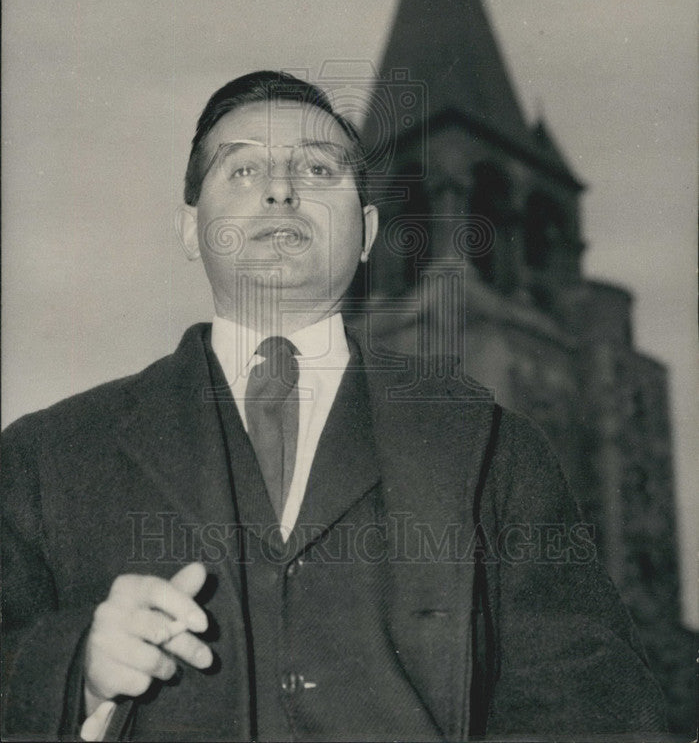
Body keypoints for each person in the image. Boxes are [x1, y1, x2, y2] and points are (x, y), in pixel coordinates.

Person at [2, 71, 667, 742]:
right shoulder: (42, 458)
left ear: (368, 230)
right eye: (241, 171)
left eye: (318, 170)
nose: (281, 188)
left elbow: (594, 710)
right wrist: (72, 669)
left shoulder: (496, 454)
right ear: (188, 229)